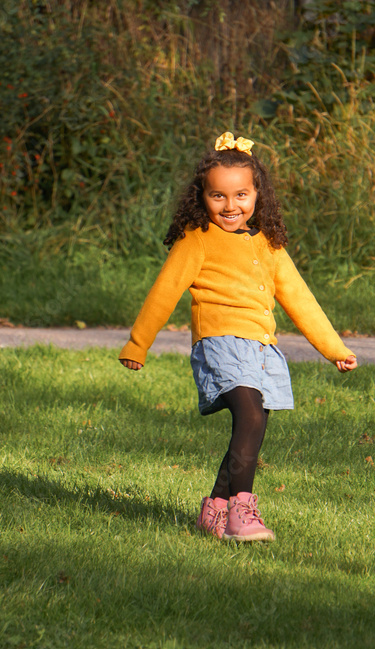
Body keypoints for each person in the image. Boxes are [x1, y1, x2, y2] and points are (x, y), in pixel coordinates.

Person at [119, 131, 358, 542]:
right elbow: (163, 293)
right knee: (249, 417)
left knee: (253, 425)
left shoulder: (268, 244)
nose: (231, 206)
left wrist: (333, 348)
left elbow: (300, 299)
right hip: (220, 343)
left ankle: (214, 508)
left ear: (257, 195)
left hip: (262, 349)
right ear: (202, 197)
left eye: (241, 195)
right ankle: (241, 512)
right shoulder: (196, 240)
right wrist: (138, 344)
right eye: (218, 196)